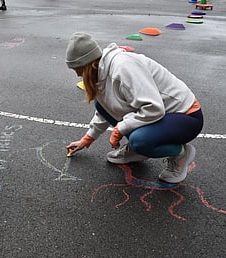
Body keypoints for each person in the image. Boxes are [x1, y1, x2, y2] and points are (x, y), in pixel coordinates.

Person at [65, 32, 203, 183]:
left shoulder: (123, 67)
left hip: (185, 116)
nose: (78, 74)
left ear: (88, 63)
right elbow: (106, 109)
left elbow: (154, 108)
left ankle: (181, 154)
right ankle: (137, 152)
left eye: (77, 68)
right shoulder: (99, 73)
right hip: (159, 116)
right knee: (101, 105)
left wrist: (120, 129)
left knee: (141, 141)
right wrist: (86, 140)